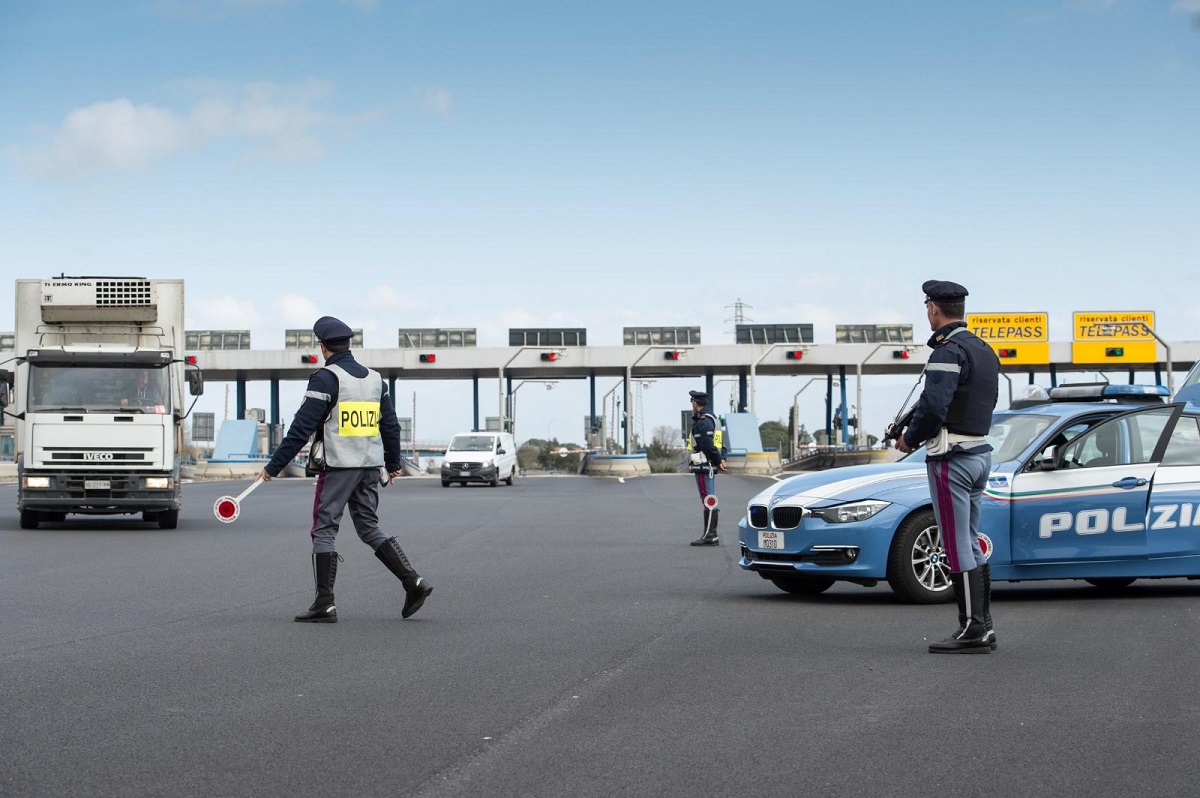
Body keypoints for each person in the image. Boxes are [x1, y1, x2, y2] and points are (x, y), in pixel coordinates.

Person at [258, 315, 433, 624]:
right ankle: (412, 580)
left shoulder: (326, 378)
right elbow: (389, 425)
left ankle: (325, 602)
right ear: (349, 344)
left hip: (339, 466)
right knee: (368, 527)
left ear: (322, 346)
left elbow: (301, 429)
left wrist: (274, 467)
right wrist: (393, 464)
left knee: (324, 529)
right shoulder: (375, 380)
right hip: (369, 466)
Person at [895, 280, 1000, 654]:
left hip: (950, 459)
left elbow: (935, 405)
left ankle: (972, 628)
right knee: (969, 541)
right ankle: (982, 625)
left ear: (934, 308)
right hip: (979, 454)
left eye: (927, 306)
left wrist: (909, 438)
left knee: (955, 545)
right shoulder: (984, 350)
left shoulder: (947, 350)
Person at [686, 389, 727, 546]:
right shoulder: (714, 419)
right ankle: (711, 534)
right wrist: (722, 458)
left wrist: (717, 460)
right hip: (710, 463)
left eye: (692, 402)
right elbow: (720, 442)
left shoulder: (703, 421)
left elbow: (707, 444)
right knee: (709, 498)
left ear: (695, 404)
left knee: (708, 499)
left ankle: (710, 535)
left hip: (704, 464)